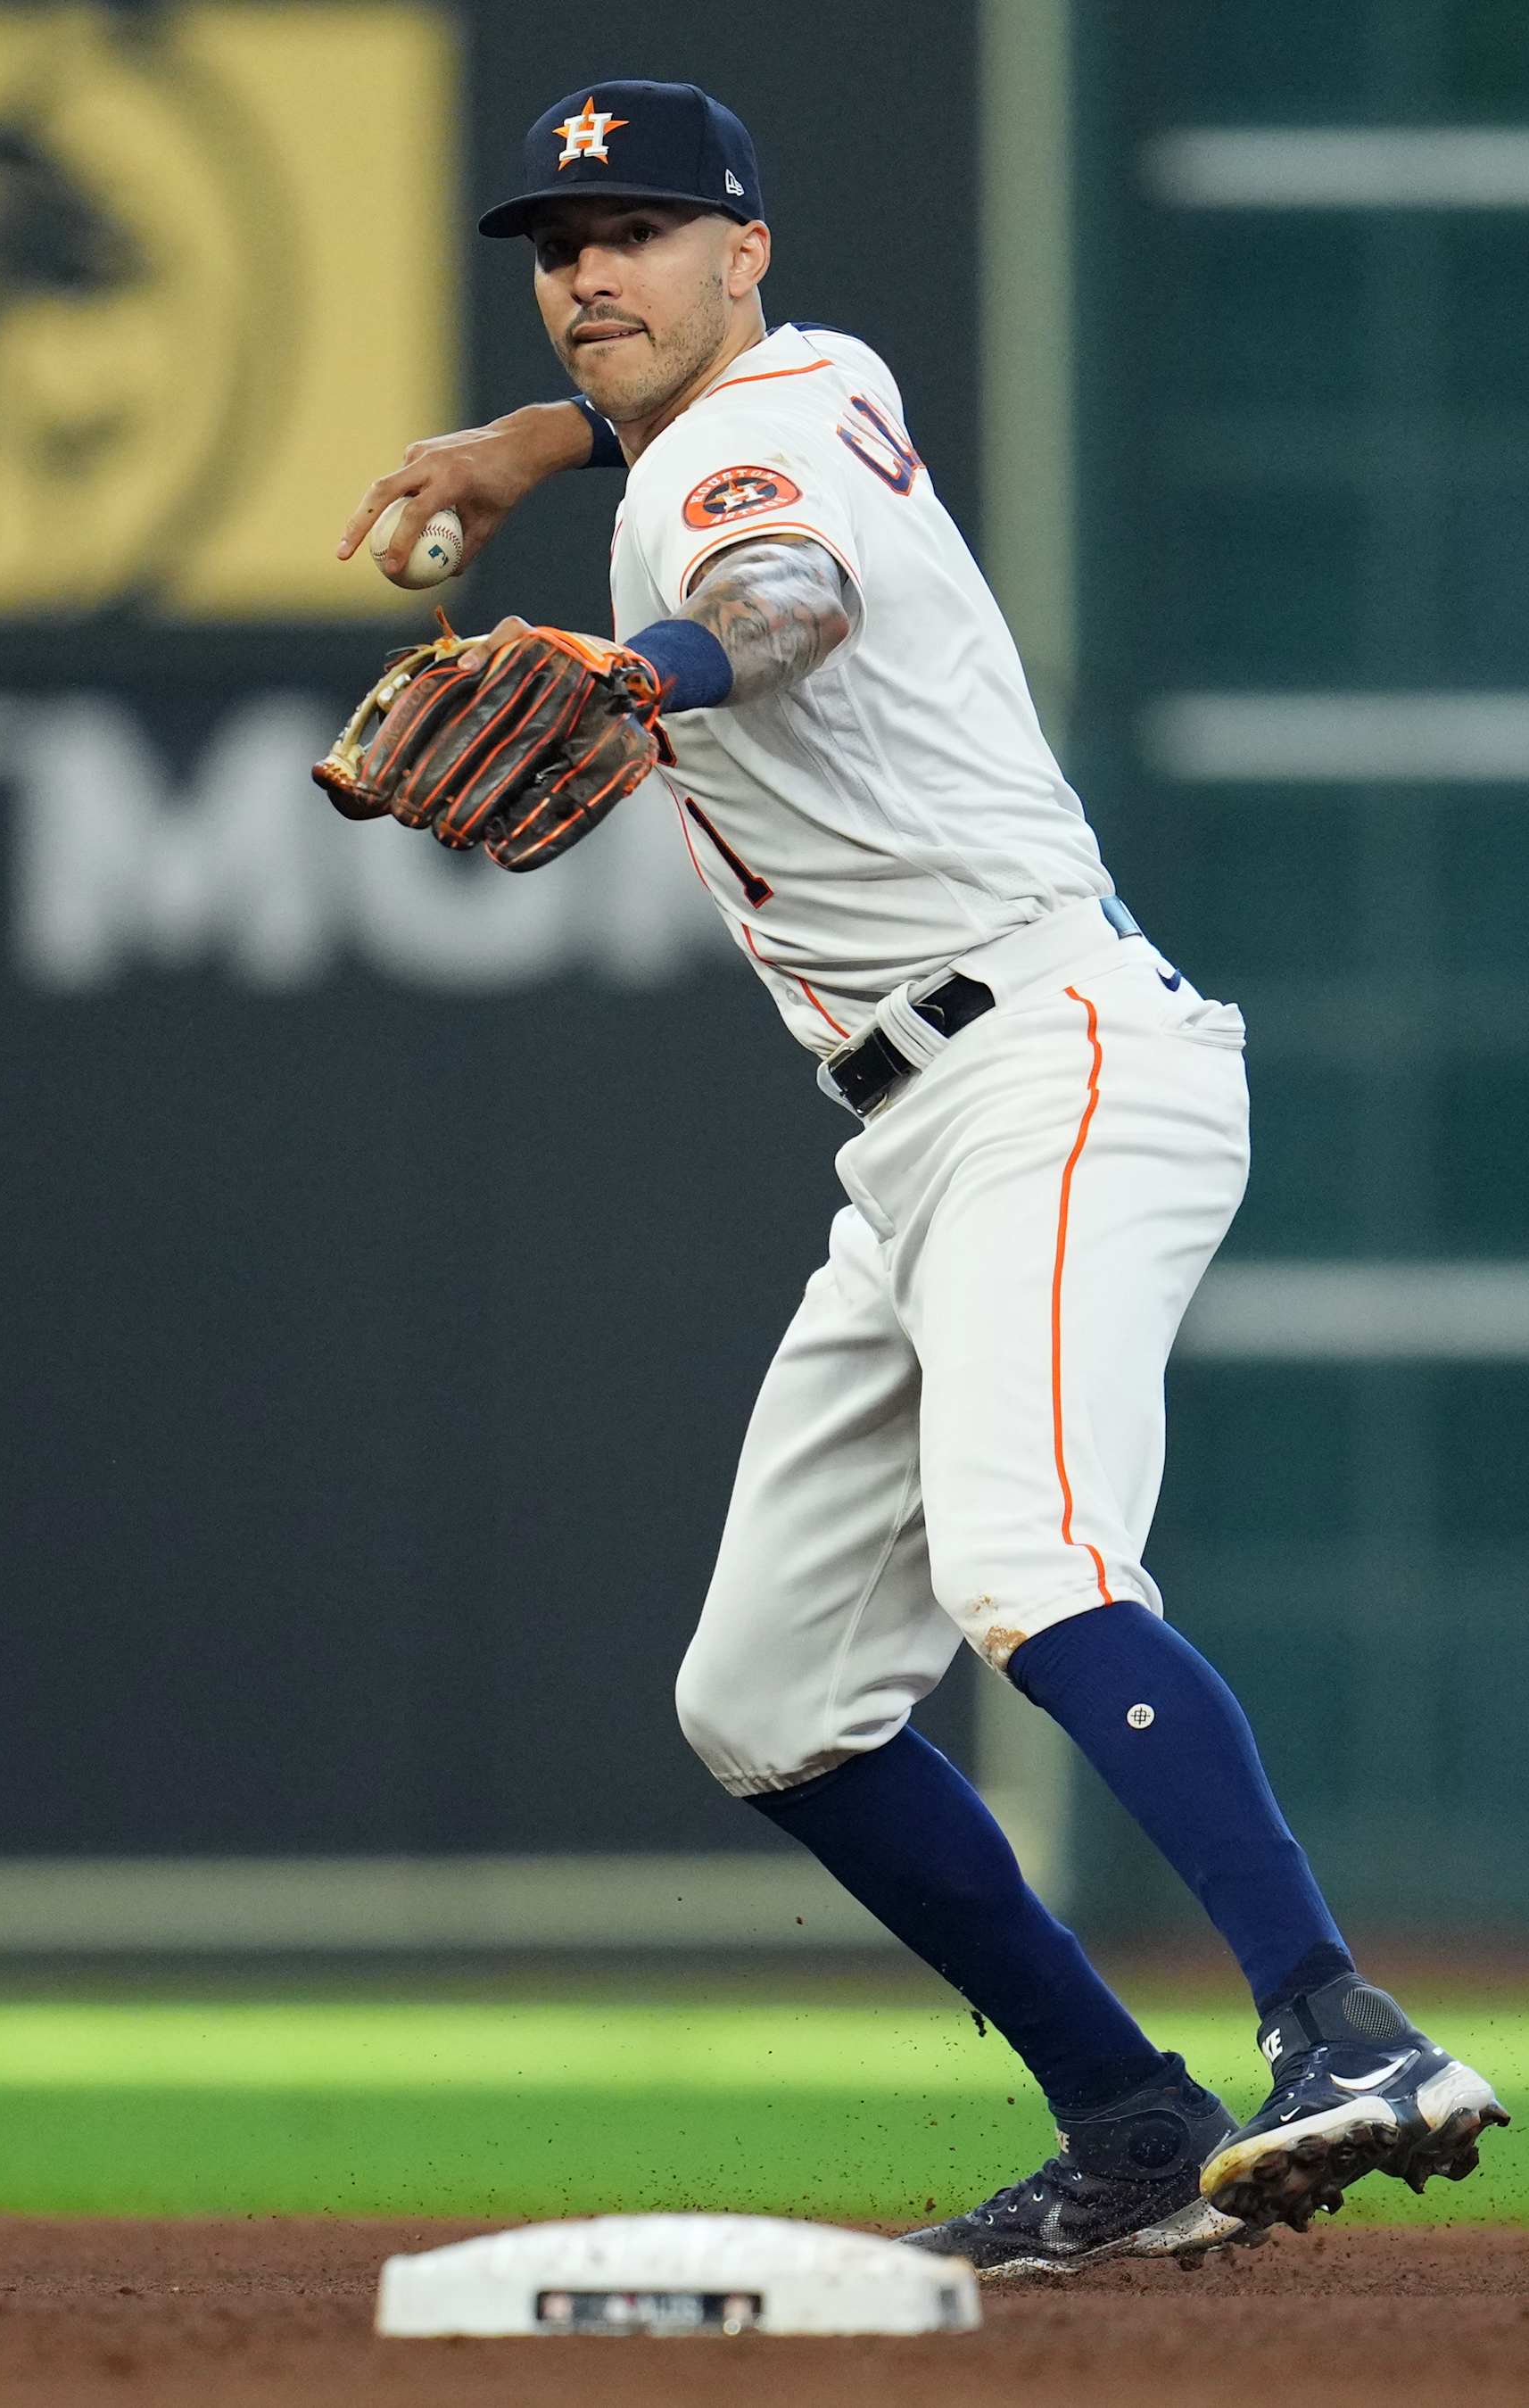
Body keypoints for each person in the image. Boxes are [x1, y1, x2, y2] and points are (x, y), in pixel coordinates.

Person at [335, 79, 1506, 2278]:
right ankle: (1133, 2127)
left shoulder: (748, 469)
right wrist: (530, 442)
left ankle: (1340, 2031)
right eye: (560, 241)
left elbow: (781, 595)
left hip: (1055, 1061)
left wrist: (634, 660)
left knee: (1030, 1553)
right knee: (763, 1702)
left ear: (745, 249)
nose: (592, 270)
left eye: (647, 227)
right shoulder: (804, 383)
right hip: (914, 1134)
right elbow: (701, 458)